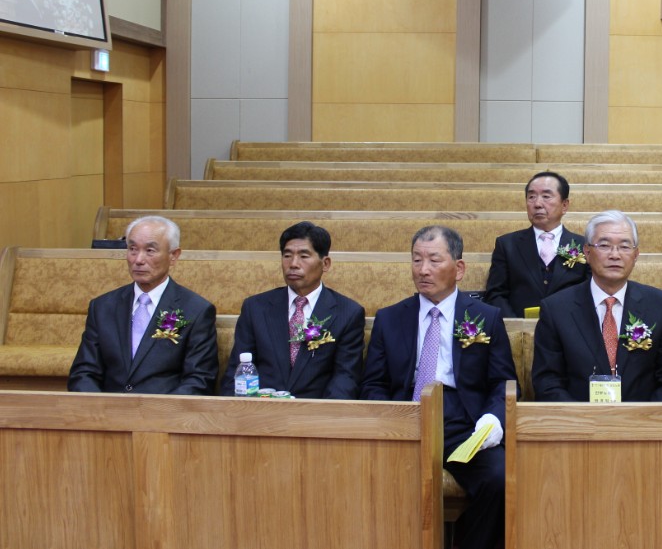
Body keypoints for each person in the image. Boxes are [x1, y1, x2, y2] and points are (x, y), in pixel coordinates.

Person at [362, 225, 517, 549]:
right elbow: (374, 383)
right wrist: (389, 420)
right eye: (417, 260)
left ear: (458, 268)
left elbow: (502, 382)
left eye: (434, 260)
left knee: (500, 478)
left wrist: (493, 419)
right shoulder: (390, 318)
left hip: (464, 422)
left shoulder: (486, 317)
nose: (423, 270)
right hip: (408, 418)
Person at [531, 210, 662, 402]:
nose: (615, 255)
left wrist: (647, 416)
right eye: (604, 245)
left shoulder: (660, 305)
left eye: (624, 246)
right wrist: (580, 417)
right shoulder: (556, 309)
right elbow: (547, 381)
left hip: (643, 417)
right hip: (578, 417)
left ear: (636, 255)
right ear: (587, 252)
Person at [68, 216, 218, 394]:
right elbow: (84, 372)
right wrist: (100, 407)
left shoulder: (196, 310)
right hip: (108, 408)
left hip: (164, 409)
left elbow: (199, 379)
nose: (138, 259)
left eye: (150, 250)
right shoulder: (102, 307)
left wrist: (158, 409)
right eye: (132, 249)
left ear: (173, 256)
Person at [221, 221, 365, 398]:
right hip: (262, 409)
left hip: (317, 410)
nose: (293, 264)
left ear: (325, 263)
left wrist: (322, 413)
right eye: (287, 255)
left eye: (304, 256)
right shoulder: (255, 308)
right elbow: (237, 372)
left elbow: (345, 378)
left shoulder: (348, 313)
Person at [483, 171, 589, 318]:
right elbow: (495, 294)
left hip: (570, 327)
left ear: (564, 205)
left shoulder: (584, 246)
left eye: (546, 196)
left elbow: (591, 293)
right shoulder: (507, 245)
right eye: (531, 197)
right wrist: (516, 326)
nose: (537, 204)